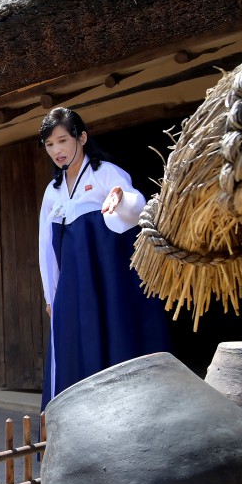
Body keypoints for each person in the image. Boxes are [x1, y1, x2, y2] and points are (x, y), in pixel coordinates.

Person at [37, 107, 170, 408]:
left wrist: (120, 199)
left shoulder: (105, 173)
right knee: (72, 351)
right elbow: (45, 247)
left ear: (81, 137)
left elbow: (138, 207)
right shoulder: (52, 192)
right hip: (72, 288)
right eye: (49, 145)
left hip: (109, 282)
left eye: (62, 141)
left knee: (116, 345)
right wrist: (50, 295)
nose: (57, 150)